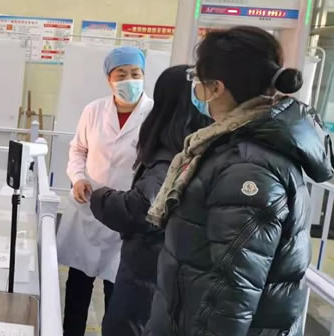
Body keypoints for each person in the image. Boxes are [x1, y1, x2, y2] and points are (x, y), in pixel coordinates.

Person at [145, 26, 334, 335]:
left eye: (197, 80)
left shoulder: (247, 167)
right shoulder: (240, 146)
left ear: (216, 88)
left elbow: (232, 291)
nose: (196, 90)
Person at [90, 65, 210, 336]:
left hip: (149, 269)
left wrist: (100, 196)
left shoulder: (171, 153)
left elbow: (140, 208)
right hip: (165, 268)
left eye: (135, 73)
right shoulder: (198, 145)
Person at [56, 46, 154, 336]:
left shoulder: (154, 115)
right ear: (109, 79)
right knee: (77, 288)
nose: (129, 80)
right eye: (121, 74)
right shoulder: (94, 110)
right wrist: (77, 178)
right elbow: (78, 149)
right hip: (89, 207)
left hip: (128, 214)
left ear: (143, 75)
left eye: (135, 73)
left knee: (119, 295)